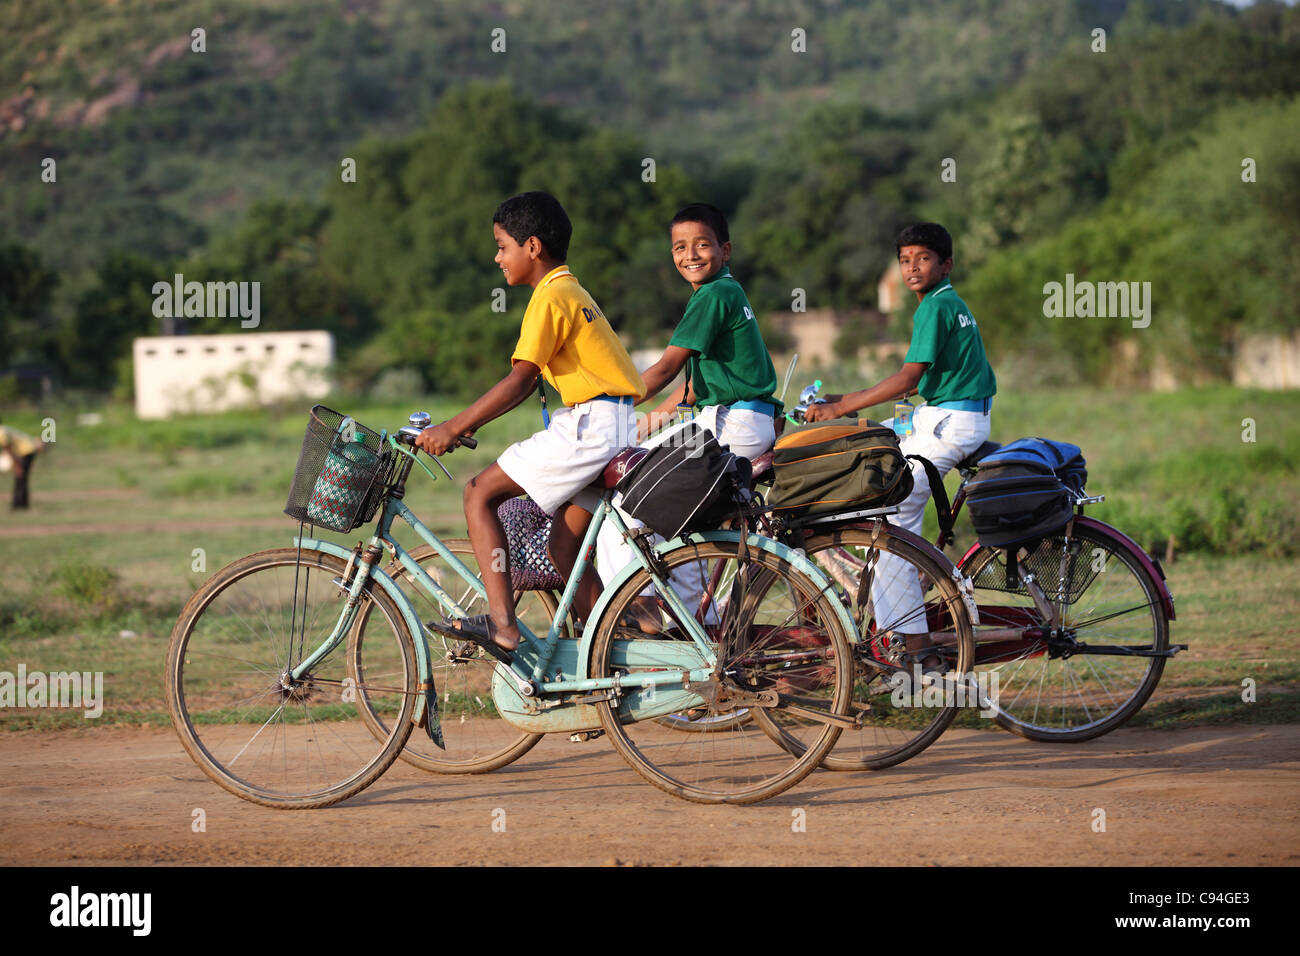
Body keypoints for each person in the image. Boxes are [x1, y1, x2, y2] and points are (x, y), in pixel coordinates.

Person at [414, 191, 644, 660]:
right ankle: (611, 655)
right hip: (615, 425)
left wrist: (453, 427)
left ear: (532, 247)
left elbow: (521, 380)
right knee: (563, 548)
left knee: (479, 492)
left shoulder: (551, 294)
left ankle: (502, 625)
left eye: (502, 246)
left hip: (591, 427)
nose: (497, 258)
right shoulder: (574, 290)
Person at [805, 222, 996, 673]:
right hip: (948, 416)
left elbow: (909, 378)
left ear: (946, 264)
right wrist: (846, 405)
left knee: (891, 526)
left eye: (923, 259)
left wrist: (844, 407)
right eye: (905, 260)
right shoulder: (947, 303)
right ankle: (894, 600)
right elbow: (916, 384)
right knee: (865, 446)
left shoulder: (935, 307)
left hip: (950, 422)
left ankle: (915, 649)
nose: (912, 267)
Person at [595, 203, 782, 627]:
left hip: (729, 425)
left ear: (726, 249)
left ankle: (634, 605)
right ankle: (699, 631)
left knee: (626, 493)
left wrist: (607, 400)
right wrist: (648, 418)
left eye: (702, 245)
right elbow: (693, 386)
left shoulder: (713, 294)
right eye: (680, 247)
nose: (691, 255)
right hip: (737, 420)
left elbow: (665, 368)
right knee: (679, 523)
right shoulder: (726, 291)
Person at [0, 420, 44, 510]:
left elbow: (9, 450)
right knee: (21, 477)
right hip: (27, 449)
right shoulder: (3, 429)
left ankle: (19, 505)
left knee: (21, 476)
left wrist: (17, 465)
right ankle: (21, 504)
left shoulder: (1, 433)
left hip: (27, 450)